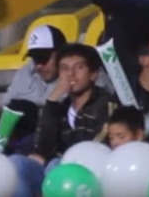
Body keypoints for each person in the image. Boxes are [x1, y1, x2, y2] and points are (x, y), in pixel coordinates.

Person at [9, 44, 118, 197]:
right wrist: (52, 100)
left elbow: (96, 147)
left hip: (91, 175)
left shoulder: (106, 103)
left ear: (93, 74)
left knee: (55, 166)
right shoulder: (60, 107)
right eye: (64, 68)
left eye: (79, 67)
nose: (71, 74)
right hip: (57, 170)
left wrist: (58, 158)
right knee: (15, 164)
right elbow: (41, 150)